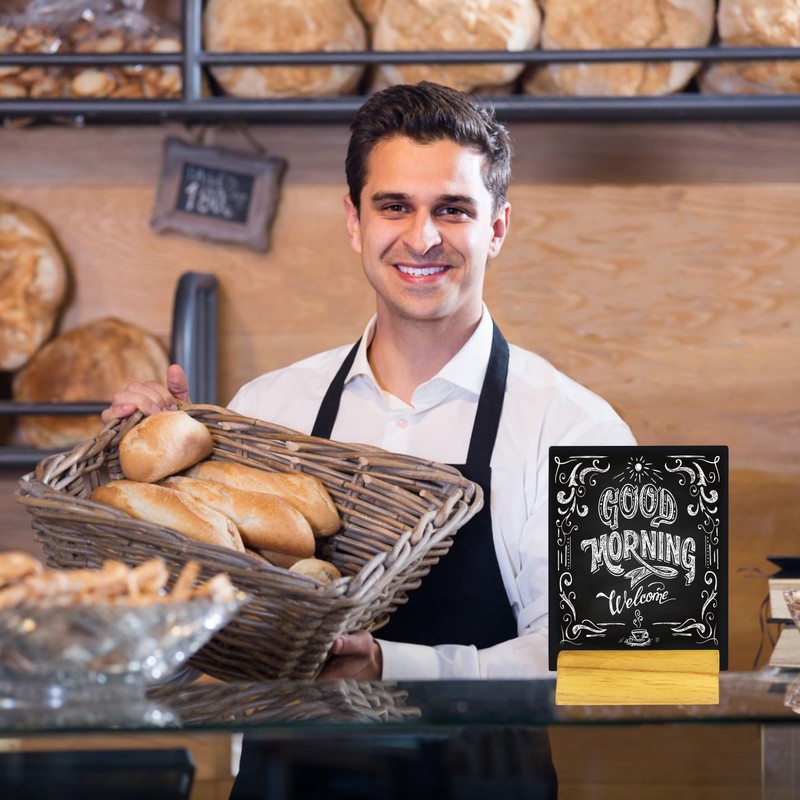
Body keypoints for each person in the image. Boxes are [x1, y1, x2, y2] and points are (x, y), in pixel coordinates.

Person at [103, 81, 635, 683]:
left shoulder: (587, 428)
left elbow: (641, 670)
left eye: (453, 209)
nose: (422, 237)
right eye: (395, 206)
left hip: (480, 778)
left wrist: (393, 666)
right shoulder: (264, 407)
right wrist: (158, 499)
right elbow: (164, 670)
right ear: (355, 222)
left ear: (498, 228)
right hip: (282, 781)